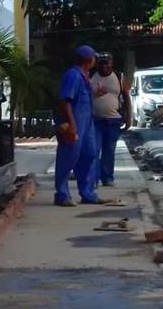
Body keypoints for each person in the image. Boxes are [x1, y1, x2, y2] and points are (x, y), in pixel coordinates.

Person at [54, 46, 110, 207]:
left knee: (89, 155)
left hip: (87, 124)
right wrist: (71, 124)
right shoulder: (73, 76)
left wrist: (95, 93)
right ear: (88, 60)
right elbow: (65, 101)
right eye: (94, 58)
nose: (95, 61)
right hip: (75, 124)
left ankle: (87, 193)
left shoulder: (85, 76)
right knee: (68, 157)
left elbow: (81, 98)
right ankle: (62, 194)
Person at [90, 53, 132, 187]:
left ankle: (107, 178)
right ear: (97, 64)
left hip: (113, 120)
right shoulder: (91, 76)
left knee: (109, 150)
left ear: (112, 63)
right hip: (95, 120)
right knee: (94, 149)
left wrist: (129, 117)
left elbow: (126, 97)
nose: (105, 66)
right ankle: (93, 179)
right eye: (102, 63)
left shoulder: (119, 77)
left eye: (107, 63)